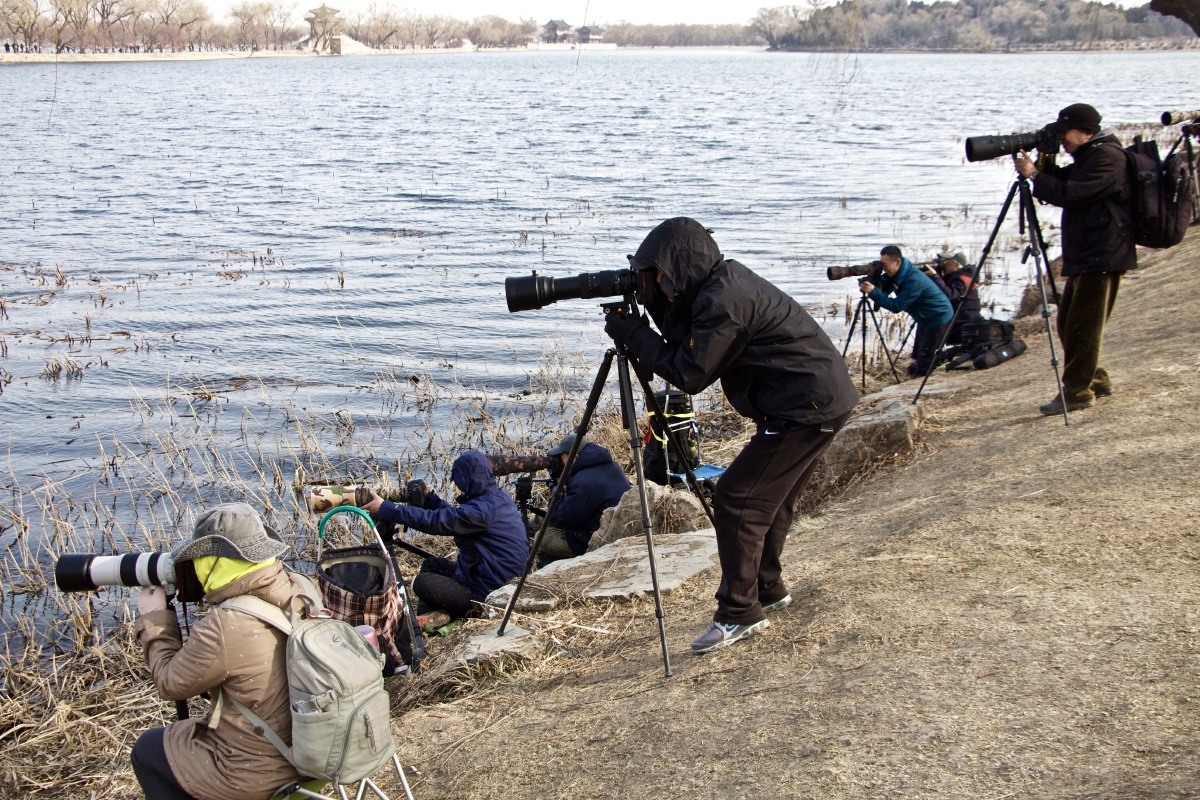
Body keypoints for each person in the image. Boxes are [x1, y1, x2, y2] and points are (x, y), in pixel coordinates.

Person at [604, 217, 859, 654]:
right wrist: (653, 310)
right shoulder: (720, 283)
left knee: (739, 499)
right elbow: (691, 341)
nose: (659, 285)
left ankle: (739, 612)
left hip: (804, 406)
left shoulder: (726, 299)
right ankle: (768, 588)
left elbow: (690, 372)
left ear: (679, 266)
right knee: (768, 501)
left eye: (659, 276)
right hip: (814, 398)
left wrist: (634, 333)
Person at [132, 502, 307, 800]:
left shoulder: (226, 624)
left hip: (257, 772)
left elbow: (169, 683)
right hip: (315, 752)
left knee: (147, 749)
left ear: (213, 562)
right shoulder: (301, 588)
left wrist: (154, 619)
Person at [1015, 102, 1135, 415]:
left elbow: (1070, 193)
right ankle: (1096, 379)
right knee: (1069, 321)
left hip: (1104, 254)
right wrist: (1044, 157)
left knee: (1084, 325)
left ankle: (1077, 392)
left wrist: (1034, 175)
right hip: (1091, 252)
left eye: (1064, 133)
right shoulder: (1091, 155)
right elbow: (1061, 183)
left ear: (1085, 132)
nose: (1063, 139)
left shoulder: (1106, 157)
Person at [363, 450, 529, 629]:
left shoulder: (482, 511)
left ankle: (433, 622)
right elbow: (456, 517)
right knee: (432, 565)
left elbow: (438, 522)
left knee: (421, 583)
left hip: (489, 594)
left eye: (460, 482)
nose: (459, 487)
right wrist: (430, 499)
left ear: (468, 479)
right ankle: (433, 617)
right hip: (490, 577)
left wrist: (387, 508)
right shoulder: (496, 498)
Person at [859, 245, 955, 378]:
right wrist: (874, 280)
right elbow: (885, 287)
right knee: (917, 355)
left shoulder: (913, 279)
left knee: (924, 363)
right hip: (925, 317)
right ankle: (934, 360)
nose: (883, 268)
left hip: (938, 317)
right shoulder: (898, 273)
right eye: (881, 264)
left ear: (897, 262)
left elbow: (897, 306)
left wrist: (873, 292)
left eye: (885, 265)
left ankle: (922, 382)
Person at [537, 432, 630, 562]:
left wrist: (555, 493)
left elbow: (565, 519)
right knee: (541, 517)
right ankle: (532, 524)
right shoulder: (611, 465)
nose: (560, 462)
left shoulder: (582, 481)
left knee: (541, 537)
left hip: (595, 538)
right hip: (613, 525)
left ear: (574, 457)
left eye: (562, 458)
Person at [921, 251, 982, 345]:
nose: (943, 266)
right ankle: (922, 355)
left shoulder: (964, 279)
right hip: (957, 319)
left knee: (931, 322)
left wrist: (935, 276)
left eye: (945, 263)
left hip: (964, 322)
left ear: (956, 264)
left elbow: (950, 295)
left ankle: (927, 355)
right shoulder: (954, 277)